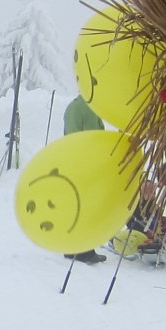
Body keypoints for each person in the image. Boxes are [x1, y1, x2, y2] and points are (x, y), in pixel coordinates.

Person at [60, 94, 107, 264]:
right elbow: (93, 138)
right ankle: (84, 251)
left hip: (70, 159)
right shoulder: (89, 108)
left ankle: (70, 247)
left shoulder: (72, 106)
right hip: (84, 162)